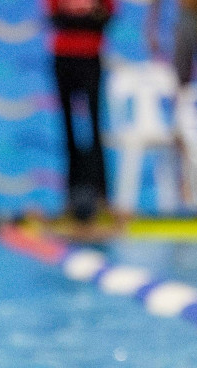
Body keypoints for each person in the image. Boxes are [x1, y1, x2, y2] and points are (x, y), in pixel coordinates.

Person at [47, 0, 114, 222]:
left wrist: (78, 20)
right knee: (68, 132)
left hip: (90, 56)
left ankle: (102, 199)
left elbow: (105, 18)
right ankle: (70, 199)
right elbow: (55, 19)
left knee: (94, 130)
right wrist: (86, 19)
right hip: (63, 57)